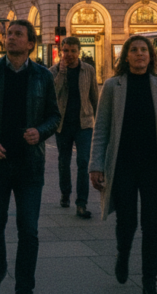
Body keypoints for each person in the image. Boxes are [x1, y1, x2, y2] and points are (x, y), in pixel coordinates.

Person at [0, 20, 60, 294]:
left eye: (18, 34)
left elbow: (54, 116)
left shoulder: (43, 76)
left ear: (31, 43)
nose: (11, 38)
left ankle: (25, 285)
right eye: (9, 34)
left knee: (28, 229)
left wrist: (40, 132)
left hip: (29, 165)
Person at [89, 36, 157, 294]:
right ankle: (123, 254)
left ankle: (150, 280)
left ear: (151, 57)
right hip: (123, 165)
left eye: (144, 50)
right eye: (134, 50)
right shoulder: (112, 85)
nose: (139, 54)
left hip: (152, 166)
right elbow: (101, 128)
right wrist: (96, 165)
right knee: (126, 221)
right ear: (126, 56)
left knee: (152, 223)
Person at [49, 36, 99, 219]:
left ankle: (81, 203)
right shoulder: (53, 72)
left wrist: (100, 121)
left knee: (83, 162)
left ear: (79, 52)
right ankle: (65, 193)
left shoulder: (88, 70)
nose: (69, 54)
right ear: (61, 52)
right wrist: (61, 73)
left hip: (84, 124)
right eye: (66, 51)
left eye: (73, 51)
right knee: (64, 162)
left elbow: (95, 97)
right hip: (62, 125)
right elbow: (53, 95)